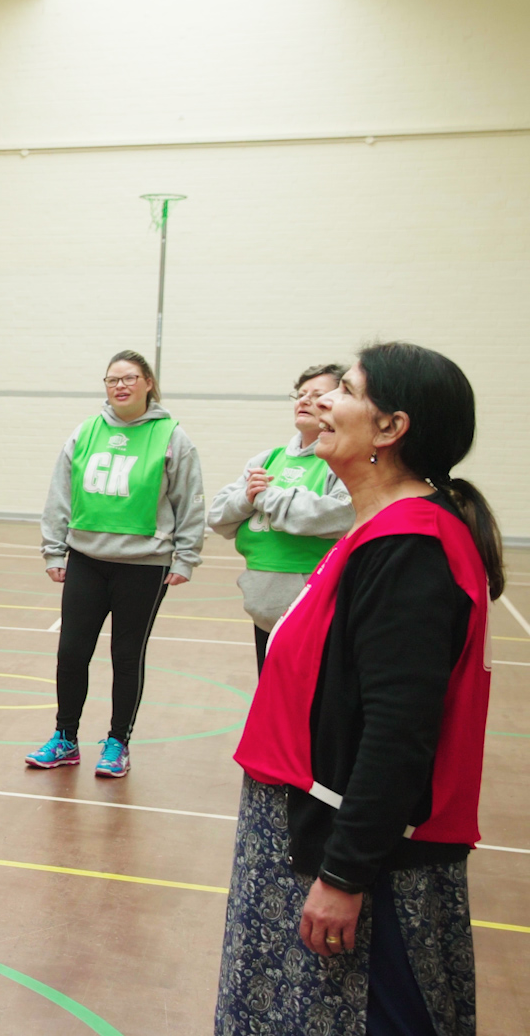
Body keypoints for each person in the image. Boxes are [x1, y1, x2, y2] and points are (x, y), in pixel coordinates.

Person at [217, 342, 498, 1036]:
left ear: (390, 428)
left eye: (344, 390)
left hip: (362, 862)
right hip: (314, 835)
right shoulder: (377, 531)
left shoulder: (410, 548)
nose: (323, 402)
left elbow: (399, 733)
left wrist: (343, 877)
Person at [32, 349, 204, 778]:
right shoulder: (86, 432)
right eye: (112, 380)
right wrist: (55, 548)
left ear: (148, 383)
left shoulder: (173, 437)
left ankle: (117, 743)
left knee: (126, 656)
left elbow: (189, 500)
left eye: (129, 378)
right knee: (71, 653)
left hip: (144, 565)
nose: (120, 386)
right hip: (86, 559)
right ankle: (65, 738)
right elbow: (60, 495)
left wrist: (185, 557)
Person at [208, 364, 354, 672]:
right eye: (300, 394)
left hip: (313, 609)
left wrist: (267, 496)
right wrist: (246, 498)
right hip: (263, 607)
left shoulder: (341, 460)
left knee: (309, 704)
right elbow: (218, 518)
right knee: (270, 697)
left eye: (317, 395)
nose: (304, 401)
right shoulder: (267, 459)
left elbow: (341, 516)